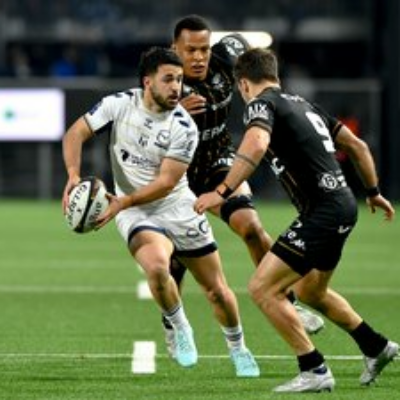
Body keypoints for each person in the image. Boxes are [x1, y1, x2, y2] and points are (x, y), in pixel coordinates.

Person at [194, 47, 398, 392]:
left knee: (262, 289)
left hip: (323, 211)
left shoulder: (261, 104)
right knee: (310, 291)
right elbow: (358, 146)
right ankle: (376, 346)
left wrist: (222, 190)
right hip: (344, 205)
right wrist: (373, 191)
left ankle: (314, 369)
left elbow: (256, 144)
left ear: (243, 84)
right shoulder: (305, 104)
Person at [61, 47, 259, 377]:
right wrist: (72, 175)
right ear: (147, 82)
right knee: (156, 267)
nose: (176, 87)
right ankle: (180, 327)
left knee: (216, 291)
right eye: (168, 79)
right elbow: (75, 133)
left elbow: (166, 183)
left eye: (179, 80)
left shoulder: (184, 126)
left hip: (177, 206)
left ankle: (238, 347)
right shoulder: (118, 104)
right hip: (136, 212)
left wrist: (122, 202)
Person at [161, 14, 324, 354]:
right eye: (190, 50)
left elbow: (260, 69)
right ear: (174, 49)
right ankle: (173, 324)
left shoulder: (226, 59)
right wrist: (172, 112)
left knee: (251, 227)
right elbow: (141, 125)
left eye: (204, 49)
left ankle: (287, 301)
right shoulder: (163, 80)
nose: (199, 57)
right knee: (176, 257)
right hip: (177, 172)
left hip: (218, 162)